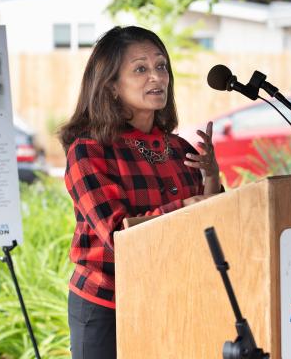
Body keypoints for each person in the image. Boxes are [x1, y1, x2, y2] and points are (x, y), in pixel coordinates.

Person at [58, 26, 221, 359]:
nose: (157, 78)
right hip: (108, 304)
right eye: (141, 69)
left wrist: (211, 176)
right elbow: (119, 235)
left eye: (161, 66)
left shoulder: (179, 148)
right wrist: (187, 205)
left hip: (170, 297)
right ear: (112, 86)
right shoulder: (88, 152)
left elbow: (213, 223)